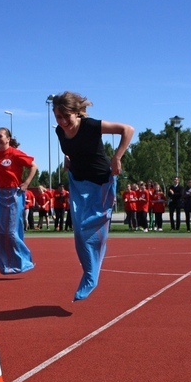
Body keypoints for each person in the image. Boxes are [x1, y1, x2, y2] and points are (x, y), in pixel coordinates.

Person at [53, 91, 134, 301]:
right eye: (57, 117)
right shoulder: (60, 132)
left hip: (100, 183)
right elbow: (72, 149)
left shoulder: (90, 125)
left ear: (76, 113)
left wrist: (117, 157)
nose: (62, 122)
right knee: (79, 231)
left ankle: (91, 275)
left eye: (65, 117)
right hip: (78, 183)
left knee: (94, 228)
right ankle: (90, 274)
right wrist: (68, 160)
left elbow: (127, 129)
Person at [0, 127, 37, 274]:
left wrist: (26, 183)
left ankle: (25, 261)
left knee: (10, 232)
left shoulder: (15, 154)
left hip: (13, 193)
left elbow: (33, 166)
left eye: (0, 136)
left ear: (8, 138)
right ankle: (5, 265)